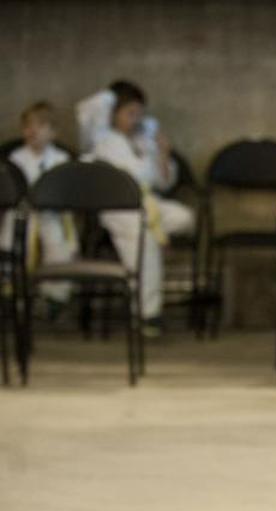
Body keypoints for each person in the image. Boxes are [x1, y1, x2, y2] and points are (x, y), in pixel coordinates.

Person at [90, 83, 194, 335]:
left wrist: (163, 154)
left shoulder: (144, 140)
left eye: (139, 113)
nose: (135, 119)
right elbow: (136, 176)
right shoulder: (103, 140)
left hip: (149, 203)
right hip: (118, 207)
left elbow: (162, 183)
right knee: (144, 239)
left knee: (184, 217)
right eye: (130, 113)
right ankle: (148, 313)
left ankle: (155, 234)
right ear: (114, 113)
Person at [4, 102, 76, 310]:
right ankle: (11, 288)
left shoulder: (61, 159)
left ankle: (54, 296)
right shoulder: (15, 158)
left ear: (53, 132)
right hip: (22, 212)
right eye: (28, 126)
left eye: (40, 125)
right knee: (12, 239)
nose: (33, 131)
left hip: (52, 213)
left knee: (58, 244)